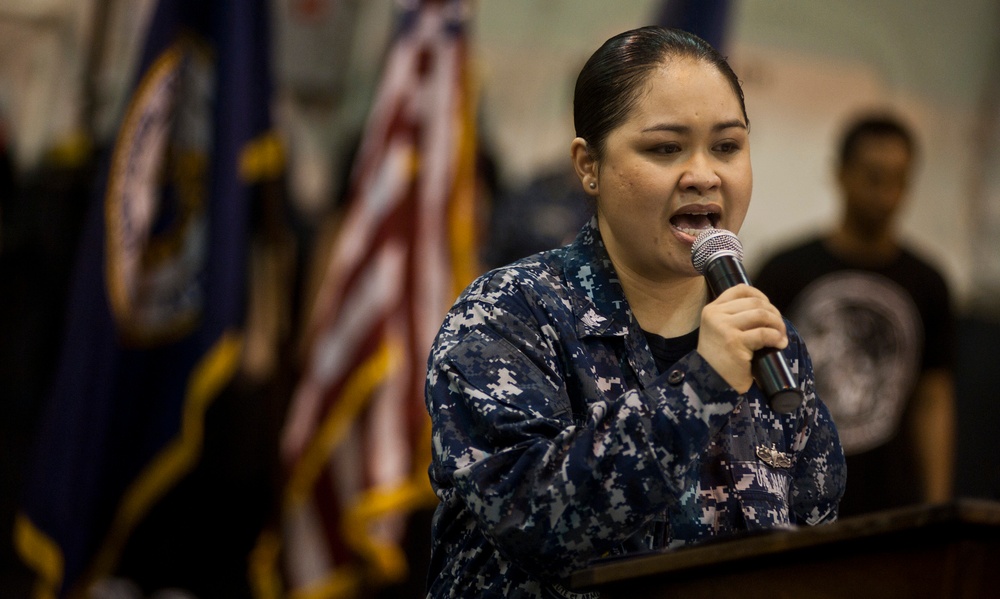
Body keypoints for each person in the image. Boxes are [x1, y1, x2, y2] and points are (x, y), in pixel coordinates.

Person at [424, 26, 846, 598]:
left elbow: (815, 539)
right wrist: (702, 386)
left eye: (727, 146)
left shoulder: (771, 343)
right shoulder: (507, 314)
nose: (704, 174)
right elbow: (530, 519)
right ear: (589, 166)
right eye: (665, 148)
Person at [754, 114, 956, 518]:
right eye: (873, 176)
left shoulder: (928, 282)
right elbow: (751, 390)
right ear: (842, 174)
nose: (886, 194)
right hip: (795, 495)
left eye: (899, 179)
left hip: (888, 502)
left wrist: (937, 507)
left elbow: (933, 399)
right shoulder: (785, 271)